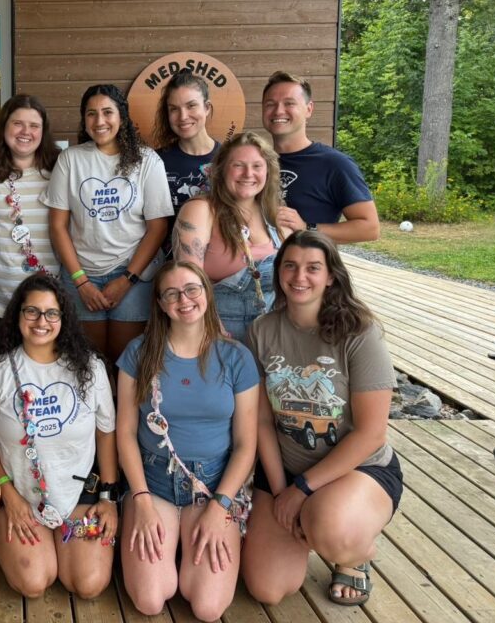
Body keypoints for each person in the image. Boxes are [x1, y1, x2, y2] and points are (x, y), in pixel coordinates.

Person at [241, 231, 403, 607]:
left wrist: (303, 491)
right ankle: (317, 521)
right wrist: (283, 491)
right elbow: (263, 422)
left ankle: (354, 554)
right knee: (268, 588)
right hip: (286, 469)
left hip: (356, 469)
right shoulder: (261, 331)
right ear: (278, 272)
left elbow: (370, 433)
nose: (300, 277)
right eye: (290, 266)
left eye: (313, 268)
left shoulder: (359, 333)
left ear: (331, 275)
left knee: (333, 533)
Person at [117, 261, 259, 620]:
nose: (184, 299)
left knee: (208, 607)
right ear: (162, 304)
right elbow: (125, 434)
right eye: (172, 293)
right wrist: (142, 501)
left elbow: (246, 444)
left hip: (212, 487)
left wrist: (220, 506)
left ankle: (188, 540)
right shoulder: (139, 353)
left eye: (192, 289)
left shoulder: (236, 356)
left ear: (207, 295)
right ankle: (165, 539)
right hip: (153, 484)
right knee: (150, 599)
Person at [0, 274, 117, 598]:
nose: (42, 321)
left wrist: (109, 499)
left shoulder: (90, 368)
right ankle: (6, 525)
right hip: (20, 494)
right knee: (34, 583)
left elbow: (106, 434)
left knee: (89, 584)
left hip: (79, 493)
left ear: (63, 319)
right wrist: (8, 495)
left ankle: (59, 541)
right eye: (32, 312)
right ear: (17, 316)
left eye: (52, 313)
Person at [43, 84, 173, 366]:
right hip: (81, 277)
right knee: (89, 363)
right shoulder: (70, 160)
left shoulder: (147, 160)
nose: (99, 121)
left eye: (107, 112)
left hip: (132, 275)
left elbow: (158, 227)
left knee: (125, 362)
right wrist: (81, 281)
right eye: (91, 114)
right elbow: (57, 226)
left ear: (122, 117)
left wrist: (127, 280)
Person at [172, 131, 284, 345]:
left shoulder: (277, 215)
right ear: (222, 170)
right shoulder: (202, 209)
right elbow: (187, 277)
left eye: (257, 166)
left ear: (268, 171)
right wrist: (211, 325)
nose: (248, 173)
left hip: (273, 332)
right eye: (238, 165)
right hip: (220, 327)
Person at [0, 95, 61, 329]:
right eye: (17, 123)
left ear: (43, 131)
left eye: (34, 125)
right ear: (3, 126)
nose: (25, 131)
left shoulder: (60, 168)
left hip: (49, 295)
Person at [261, 71, 379, 243]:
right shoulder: (256, 164)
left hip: (306, 267)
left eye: (289, 103)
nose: (278, 111)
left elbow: (369, 228)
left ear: (309, 109)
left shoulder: (334, 164)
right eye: (270, 104)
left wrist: (307, 228)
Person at [152, 70, 220, 215]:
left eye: (191, 106)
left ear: (207, 108)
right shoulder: (155, 162)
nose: (183, 117)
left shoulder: (228, 158)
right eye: (174, 109)